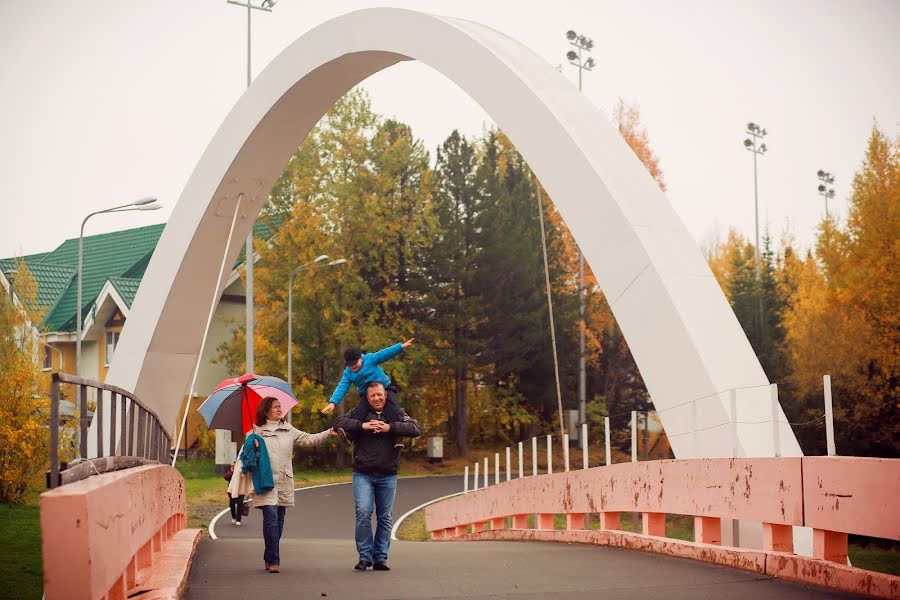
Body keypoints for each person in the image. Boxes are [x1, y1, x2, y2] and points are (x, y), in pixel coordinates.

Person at [333, 381, 421, 571]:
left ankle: (380, 558)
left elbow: (415, 429)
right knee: (363, 512)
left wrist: (390, 428)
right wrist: (362, 425)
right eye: (373, 395)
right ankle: (365, 557)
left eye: (380, 394)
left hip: (388, 474)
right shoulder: (360, 413)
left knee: (385, 517)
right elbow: (338, 422)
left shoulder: (396, 413)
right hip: (363, 473)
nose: (377, 398)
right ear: (367, 397)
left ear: (386, 394)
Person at [251, 396, 337, 574]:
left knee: (279, 523)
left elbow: (309, 439)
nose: (279, 409)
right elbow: (247, 457)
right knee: (271, 519)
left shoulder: (288, 429)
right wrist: (253, 446)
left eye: (280, 406)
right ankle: (274, 561)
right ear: (266, 411)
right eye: (275, 407)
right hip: (266, 482)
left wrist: (329, 432)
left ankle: (269, 555)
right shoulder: (256, 433)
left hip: (284, 482)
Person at [319, 338, 415, 417]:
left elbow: (384, 354)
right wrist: (333, 402)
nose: (353, 367)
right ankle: (353, 435)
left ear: (361, 358)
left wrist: (400, 347)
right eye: (350, 365)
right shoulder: (348, 374)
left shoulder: (370, 359)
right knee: (359, 414)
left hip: (385, 388)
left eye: (355, 364)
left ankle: (397, 434)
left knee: (393, 410)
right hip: (366, 395)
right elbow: (342, 387)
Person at [224, 460, 246, 526]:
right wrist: (232, 471)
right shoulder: (231, 472)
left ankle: (238, 520)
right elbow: (226, 477)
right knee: (232, 505)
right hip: (232, 492)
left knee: (240, 505)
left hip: (240, 491)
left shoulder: (242, 471)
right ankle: (234, 516)